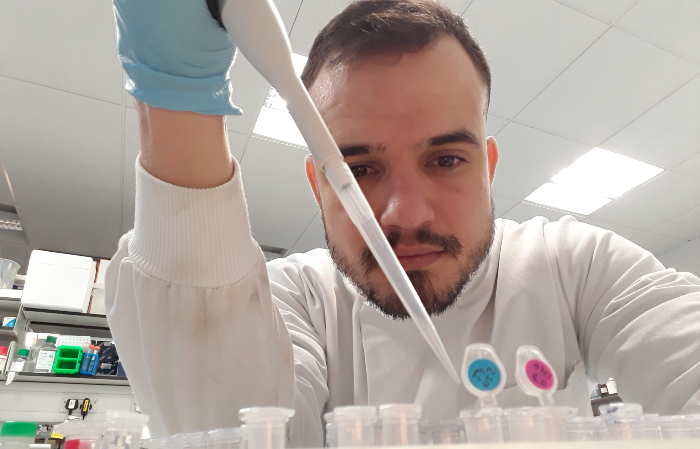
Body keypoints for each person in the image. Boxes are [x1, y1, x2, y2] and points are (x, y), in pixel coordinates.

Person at [105, 0, 700, 445]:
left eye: (445, 160)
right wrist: (176, 99)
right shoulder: (296, 299)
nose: (405, 212)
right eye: (359, 170)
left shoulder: (576, 267)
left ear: (487, 169)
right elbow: (221, 425)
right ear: (319, 186)